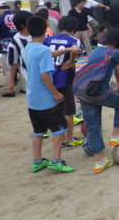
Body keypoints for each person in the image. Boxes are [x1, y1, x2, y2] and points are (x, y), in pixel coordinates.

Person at [24, 15, 75, 173]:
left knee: (38, 131)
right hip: (46, 99)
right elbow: (44, 75)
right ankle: (56, 160)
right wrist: (55, 93)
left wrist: (67, 50)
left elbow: (47, 55)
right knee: (59, 130)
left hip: (32, 99)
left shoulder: (29, 47)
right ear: (45, 30)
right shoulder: (44, 50)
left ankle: (37, 161)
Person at [79, 29, 119, 174]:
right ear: (118, 44)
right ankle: (115, 136)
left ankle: (99, 162)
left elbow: (95, 74)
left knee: (92, 127)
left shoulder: (94, 52)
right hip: (98, 92)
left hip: (82, 91)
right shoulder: (116, 53)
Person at [44, 16, 84, 149]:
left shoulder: (47, 40)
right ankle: (70, 139)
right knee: (68, 111)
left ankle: (59, 138)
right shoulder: (74, 40)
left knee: (55, 110)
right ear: (73, 29)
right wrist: (71, 61)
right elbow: (77, 49)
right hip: (64, 79)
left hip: (50, 79)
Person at [5, 11, 33, 97]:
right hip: (29, 76)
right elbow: (13, 63)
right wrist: (11, 82)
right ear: (22, 25)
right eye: (30, 21)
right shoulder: (15, 42)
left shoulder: (38, 34)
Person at [0, 3, 17, 92]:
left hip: (6, 46)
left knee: (8, 69)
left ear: (0, 10)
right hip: (20, 45)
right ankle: (25, 87)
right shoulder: (17, 16)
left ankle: (9, 89)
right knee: (22, 68)